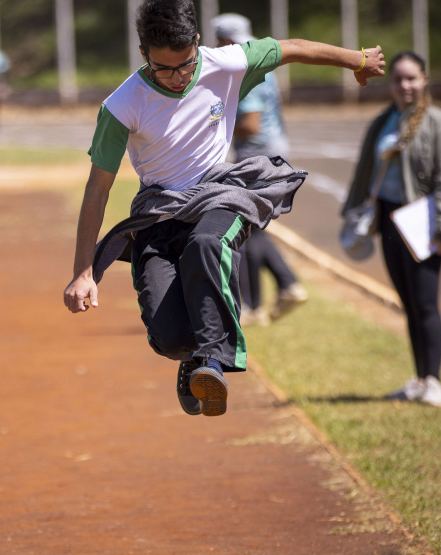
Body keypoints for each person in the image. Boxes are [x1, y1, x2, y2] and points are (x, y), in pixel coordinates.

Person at [62, 0, 385, 417]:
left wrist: (357, 60)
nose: (178, 78)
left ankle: (214, 361)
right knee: (171, 337)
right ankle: (193, 359)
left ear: (197, 43)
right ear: (143, 53)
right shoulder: (122, 106)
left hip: (221, 191)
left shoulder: (226, 62)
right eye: (164, 69)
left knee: (207, 243)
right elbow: (97, 190)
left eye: (185, 65)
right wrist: (83, 271)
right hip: (160, 208)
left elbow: (293, 47)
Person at [343, 51, 441, 408]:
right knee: (409, 303)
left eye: (412, 78)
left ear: (424, 80)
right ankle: (420, 379)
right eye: (398, 79)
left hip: (424, 225)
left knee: (426, 303)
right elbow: (365, 170)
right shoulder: (385, 119)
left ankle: (435, 382)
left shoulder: (439, 123)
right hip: (390, 220)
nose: (404, 85)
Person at [212, 13, 308, 326]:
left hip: (258, 159)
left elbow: (251, 125)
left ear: (225, 42)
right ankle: (279, 288)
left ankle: (260, 300)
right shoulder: (264, 66)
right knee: (250, 228)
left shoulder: (244, 70)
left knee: (245, 228)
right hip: (273, 154)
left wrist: (214, 126)